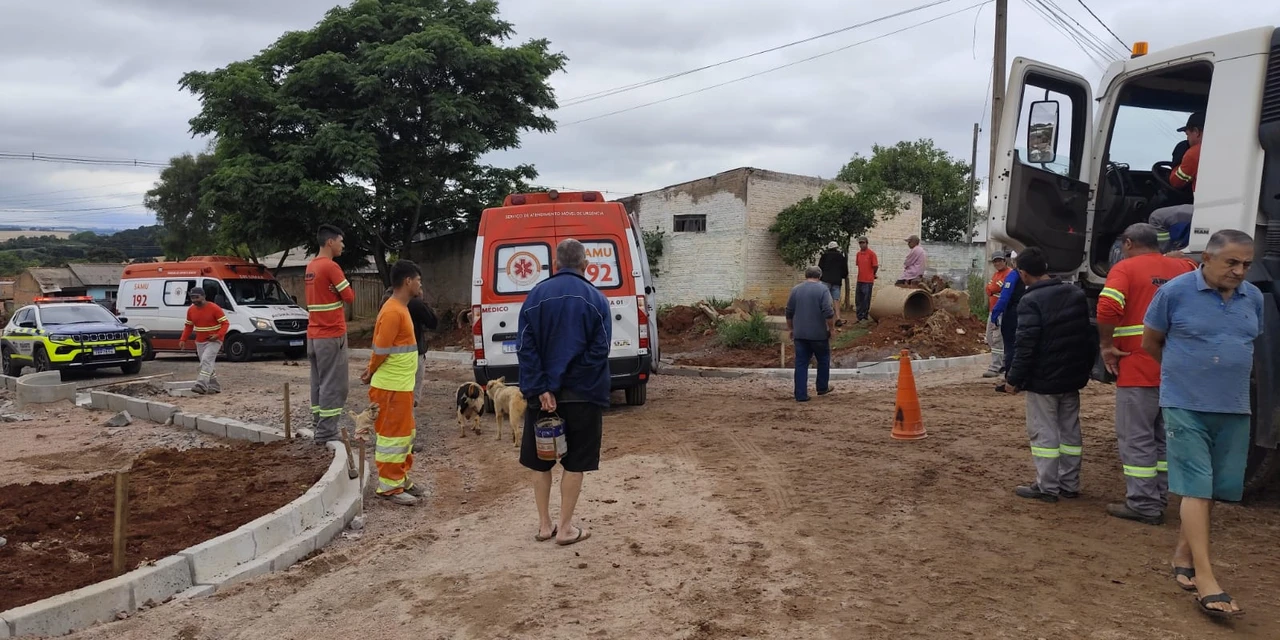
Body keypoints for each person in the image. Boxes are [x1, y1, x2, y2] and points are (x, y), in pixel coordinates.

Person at [1143, 229, 1261, 619]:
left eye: (1246, 263)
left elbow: (1245, 343)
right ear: (1206, 258)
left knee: (1211, 489)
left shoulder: (1253, 298)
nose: (1240, 271)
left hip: (1234, 406)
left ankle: (1182, 554)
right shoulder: (1174, 293)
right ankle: (1207, 579)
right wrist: (1181, 379)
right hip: (1184, 404)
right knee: (1194, 484)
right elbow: (1151, 342)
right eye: (1232, 262)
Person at [1097, 223, 1196, 525]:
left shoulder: (1125, 269)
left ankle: (1142, 503)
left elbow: (1107, 307)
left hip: (1138, 367)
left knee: (1136, 438)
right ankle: (1159, 498)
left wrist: (1106, 346)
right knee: (1162, 440)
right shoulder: (1185, 267)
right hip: (1177, 370)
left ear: (1128, 243)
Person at [517, 239, 611, 547]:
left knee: (540, 462)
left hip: (542, 401)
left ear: (555, 265)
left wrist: (544, 387)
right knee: (576, 463)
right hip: (583, 396)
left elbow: (525, 349)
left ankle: (545, 525)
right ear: (585, 265)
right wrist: (562, 383)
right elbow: (599, 352)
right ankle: (566, 528)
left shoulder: (534, 298)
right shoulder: (597, 300)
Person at [1004, 247, 1096, 502]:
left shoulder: (1030, 301)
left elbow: (1026, 345)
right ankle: (1069, 484)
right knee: (1070, 432)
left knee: (1044, 433)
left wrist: (1013, 379)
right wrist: (1085, 369)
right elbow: (1089, 336)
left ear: (1023, 273)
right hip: (1072, 377)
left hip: (1043, 381)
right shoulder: (1075, 294)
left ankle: (1047, 487)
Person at [361, 260, 424, 506]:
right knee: (392, 438)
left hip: (401, 387)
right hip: (391, 388)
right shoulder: (392, 311)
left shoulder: (400, 309)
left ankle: (400, 478)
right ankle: (389, 486)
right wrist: (370, 371)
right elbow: (381, 350)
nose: (420, 284)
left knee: (405, 435)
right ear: (408, 281)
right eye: (418, 279)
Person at [306, 224, 356, 444]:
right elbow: (349, 296)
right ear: (330, 242)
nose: (342, 245)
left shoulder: (311, 266)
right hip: (331, 334)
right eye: (340, 241)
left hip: (314, 334)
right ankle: (327, 432)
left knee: (318, 382)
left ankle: (319, 425)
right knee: (334, 384)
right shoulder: (331, 267)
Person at [785, 266, 835, 402]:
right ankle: (822, 387)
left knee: (801, 363)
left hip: (800, 334)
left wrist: (791, 329)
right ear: (819, 276)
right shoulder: (823, 289)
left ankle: (800, 394)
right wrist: (831, 329)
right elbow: (828, 312)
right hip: (818, 334)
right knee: (823, 359)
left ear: (806, 275)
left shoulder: (796, 290)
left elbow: (789, 311)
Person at [177, 286, 228, 395]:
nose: (194, 300)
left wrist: (218, 335)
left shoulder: (214, 308)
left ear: (204, 296)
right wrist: (183, 339)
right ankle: (214, 386)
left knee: (205, 360)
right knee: (207, 363)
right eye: (192, 298)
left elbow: (225, 323)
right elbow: (189, 326)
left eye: (197, 297)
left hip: (214, 340)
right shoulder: (191, 310)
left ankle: (201, 385)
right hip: (200, 341)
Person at [983, 252, 1013, 378]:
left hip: (1001, 311)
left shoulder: (1009, 274)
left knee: (997, 339)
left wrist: (992, 289)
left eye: (999, 260)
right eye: (995, 261)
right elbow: (989, 288)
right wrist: (992, 288)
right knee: (990, 338)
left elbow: (994, 288)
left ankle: (996, 367)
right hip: (992, 310)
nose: (997, 263)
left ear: (1005, 261)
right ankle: (1003, 363)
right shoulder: (997, 274)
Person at [817, 241, 850, 326]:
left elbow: (819, 268)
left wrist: (821, 278)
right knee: (836, 300)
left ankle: (824, 319)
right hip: (836, 281)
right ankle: (838, 318)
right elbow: (845, 271)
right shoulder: (841, 257)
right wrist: (841, 276)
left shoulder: (824, 256)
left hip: (825, 281)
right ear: (837, 248)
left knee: (825, 300)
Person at [853, 236, 878, 322]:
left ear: (867, 243)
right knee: (858, 299)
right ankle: (859, 317)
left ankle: (864, 316)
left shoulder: (871, 254)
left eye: (863, 242)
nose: (861, 244)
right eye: (860, 243)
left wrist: (872, 274)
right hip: (860, 279)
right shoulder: (858, 254)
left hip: (868, 280)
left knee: (865, 299)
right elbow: (858, 265)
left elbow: (875, 266)